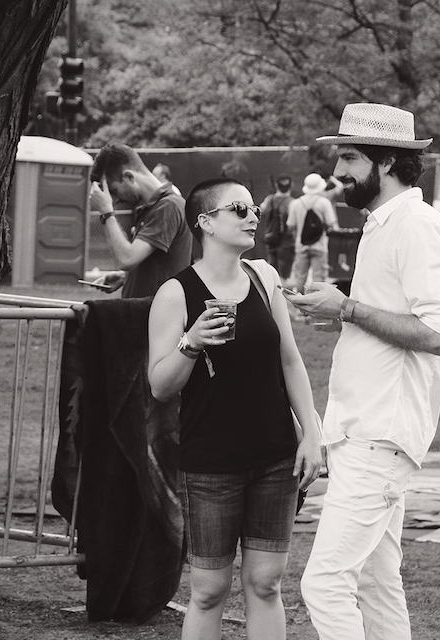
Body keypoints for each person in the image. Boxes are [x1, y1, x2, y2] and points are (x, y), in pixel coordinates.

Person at [284, 103, 440, 640]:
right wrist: (337, 315)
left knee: (325, 583)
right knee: (377, 586)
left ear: (387, 162)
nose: (339, 171)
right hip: (362, 429)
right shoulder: (383, 223)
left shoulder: (416, 224)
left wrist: (349, 310)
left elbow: (435, 334)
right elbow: (387, 319)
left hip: (380, 434)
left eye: (351, 156)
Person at [146, 178, 323, 640]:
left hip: (275, 457)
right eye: (239, 209)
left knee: (265, 584)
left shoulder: (264, 277)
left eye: (254, 210)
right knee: (207, 590)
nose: (252, 217)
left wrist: (311, 433)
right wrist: (191, 343)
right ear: (205, 222)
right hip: (211, 464)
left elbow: (290, 359)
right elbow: (160, 387)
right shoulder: (175, 293)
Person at [88, 144, 192, 298]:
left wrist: (106, 212)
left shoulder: (168, 206)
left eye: (113, 191)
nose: (114, 201)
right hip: (140, 315)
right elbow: (159, 265)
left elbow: (127, 258)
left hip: (157, 319)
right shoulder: (149, 208)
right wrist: (126, 277)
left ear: (129, 177)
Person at [287, 173, 340, 291]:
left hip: (301, 245)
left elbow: (291, 225)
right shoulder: (324, 202)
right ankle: (316, 302)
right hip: (320, 245)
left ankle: (299, 302)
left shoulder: (296, 203)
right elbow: (331, 222)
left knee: (300, 276)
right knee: (318, 277)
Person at [258, 174, 296, 282]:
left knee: (271, 270)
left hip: (271, 238)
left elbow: (262, 209)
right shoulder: (292, 202)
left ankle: (271, 292)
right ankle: (281, 295)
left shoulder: (269, 199)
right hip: (286, 241)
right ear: (291, 186)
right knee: (283, 272)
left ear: (276, 185)